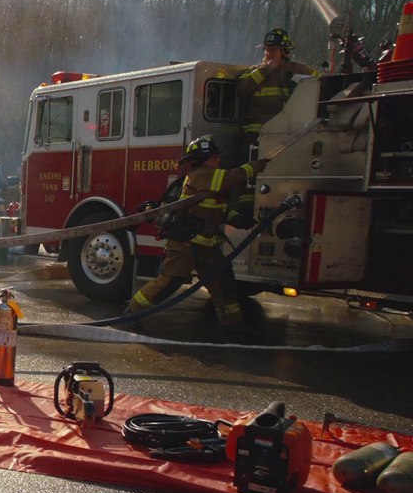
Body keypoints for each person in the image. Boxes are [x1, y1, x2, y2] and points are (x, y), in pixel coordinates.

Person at [125, 135, 267, 331]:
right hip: (185, 245)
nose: (219, 160)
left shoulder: (210, 181)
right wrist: (258, 164)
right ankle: (132, 312)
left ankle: (232, 322)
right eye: (215, 157)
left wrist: (236, 218)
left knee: (223, 282)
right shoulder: (203, 175)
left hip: (207, 246)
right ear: (203, 160)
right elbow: (234, 176)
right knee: (169, 283)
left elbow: (216, 210)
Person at [237, 28, 322, 161]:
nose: (269, 53)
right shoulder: (255, 71)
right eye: (267, 49)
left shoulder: (297, 69)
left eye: (273, 50)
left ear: (284, 50)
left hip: (286, 133)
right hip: (255, 135)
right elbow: (242, 88)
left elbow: (322, 82)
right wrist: (267, 69)